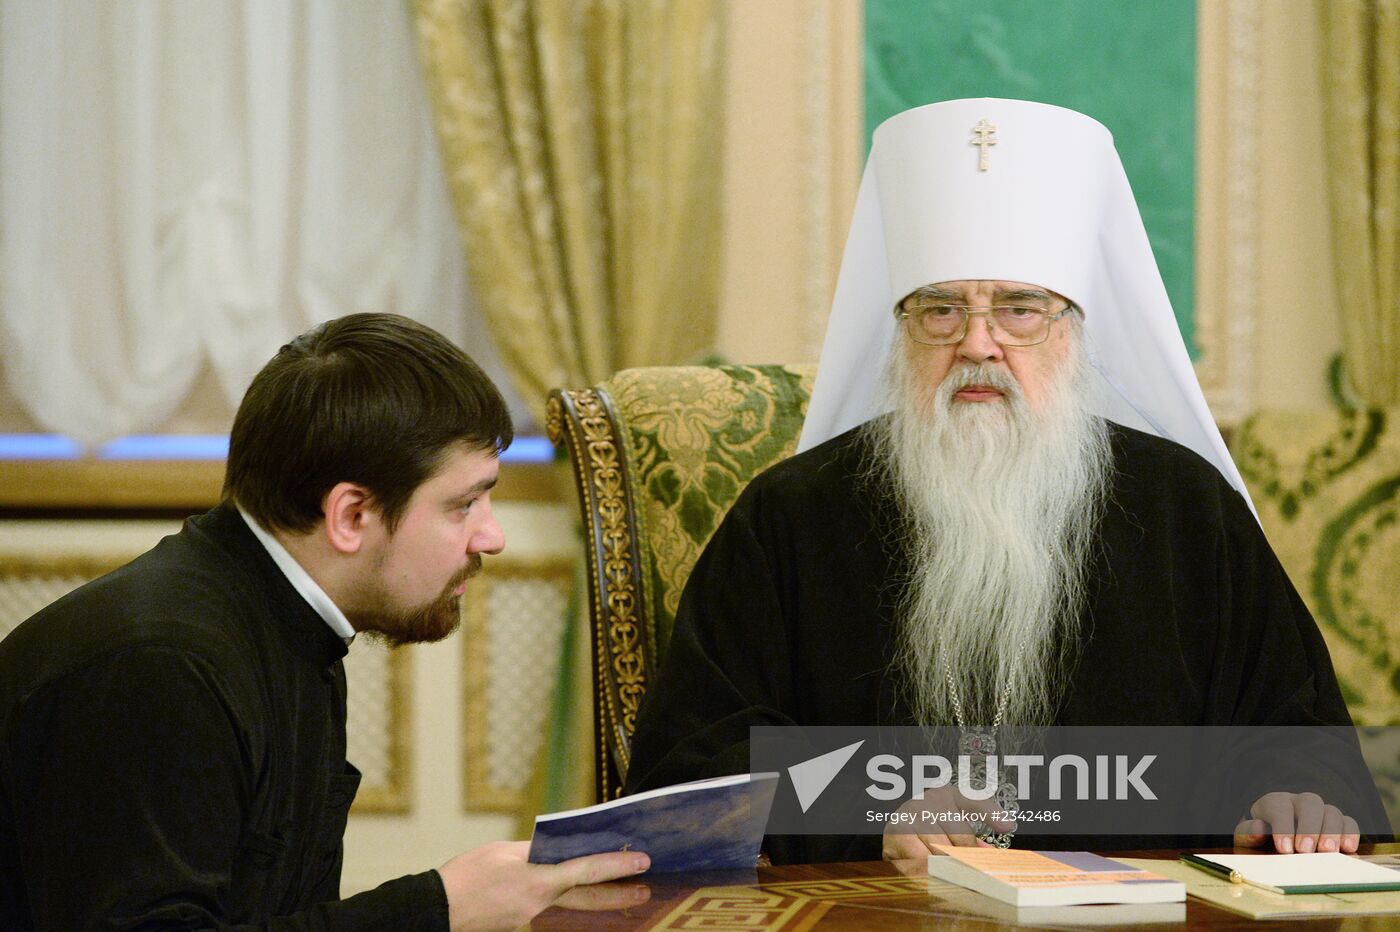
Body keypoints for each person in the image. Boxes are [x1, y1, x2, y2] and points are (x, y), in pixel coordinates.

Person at [624, 99, 1375, 863]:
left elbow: (1292, 731)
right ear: (902, 332)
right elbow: (691, 762)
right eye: (941, 311)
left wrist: (1291, 797)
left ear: (1075, 332)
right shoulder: (793, 516)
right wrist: (870, 813)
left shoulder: (1185, 509)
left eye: (1020, 310)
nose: (978, 343)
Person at [0, 314, 649, 930]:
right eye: (463, 504)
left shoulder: (296, 623)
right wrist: (437, 911)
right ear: (350, 516)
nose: (492, 536)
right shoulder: (161, 668)